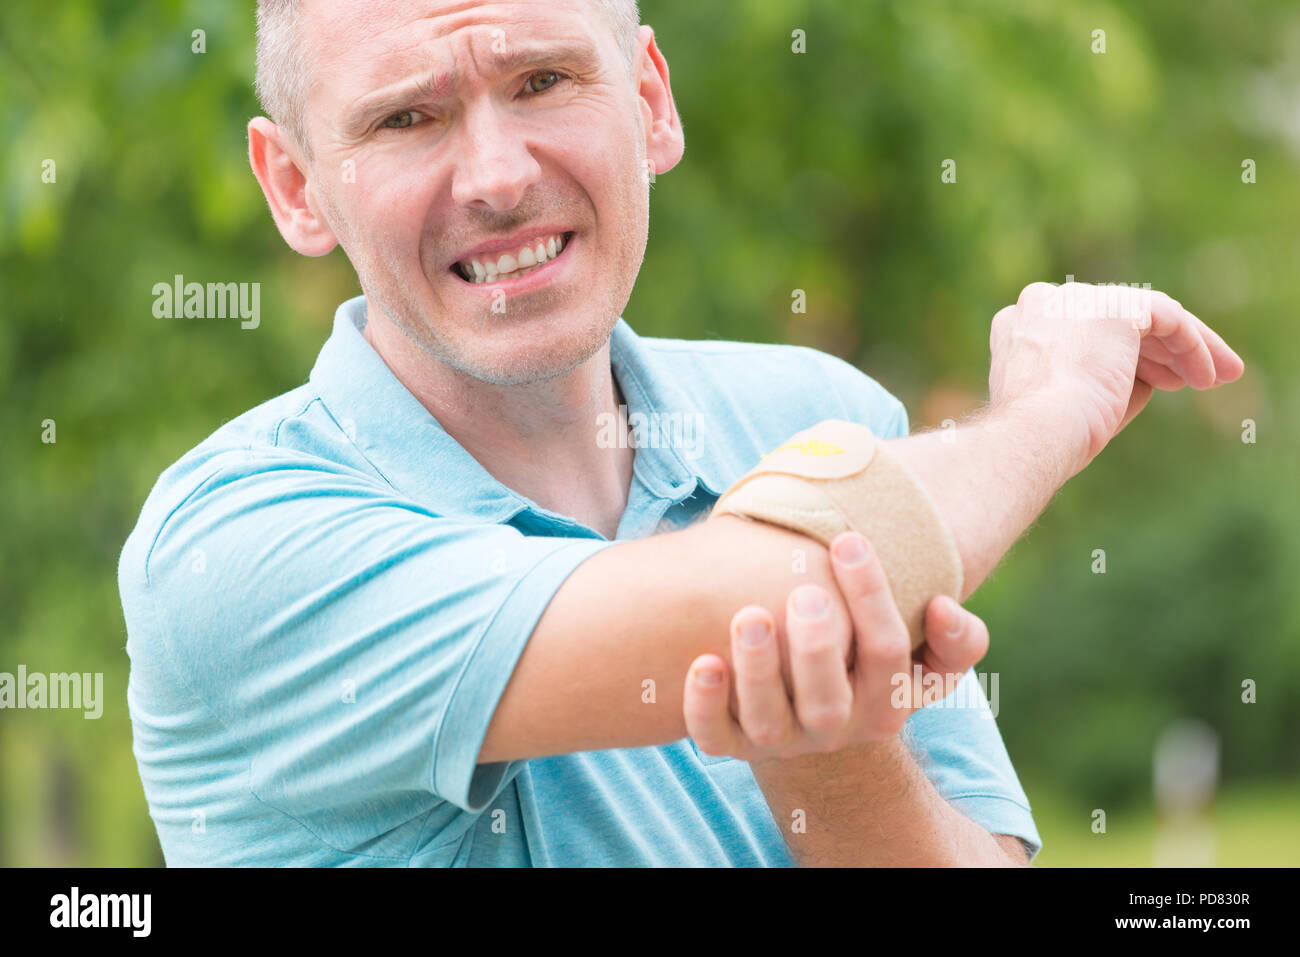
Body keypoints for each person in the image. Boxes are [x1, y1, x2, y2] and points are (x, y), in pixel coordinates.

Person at [118, 0, 1244, 866]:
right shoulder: (230, 547)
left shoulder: (819, 417)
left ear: (650, 101)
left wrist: (835, 756)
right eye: (406, 117)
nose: (500, 176)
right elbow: (810, 573)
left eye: (544, 79)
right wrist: (1051, 409)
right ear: (296, 187)